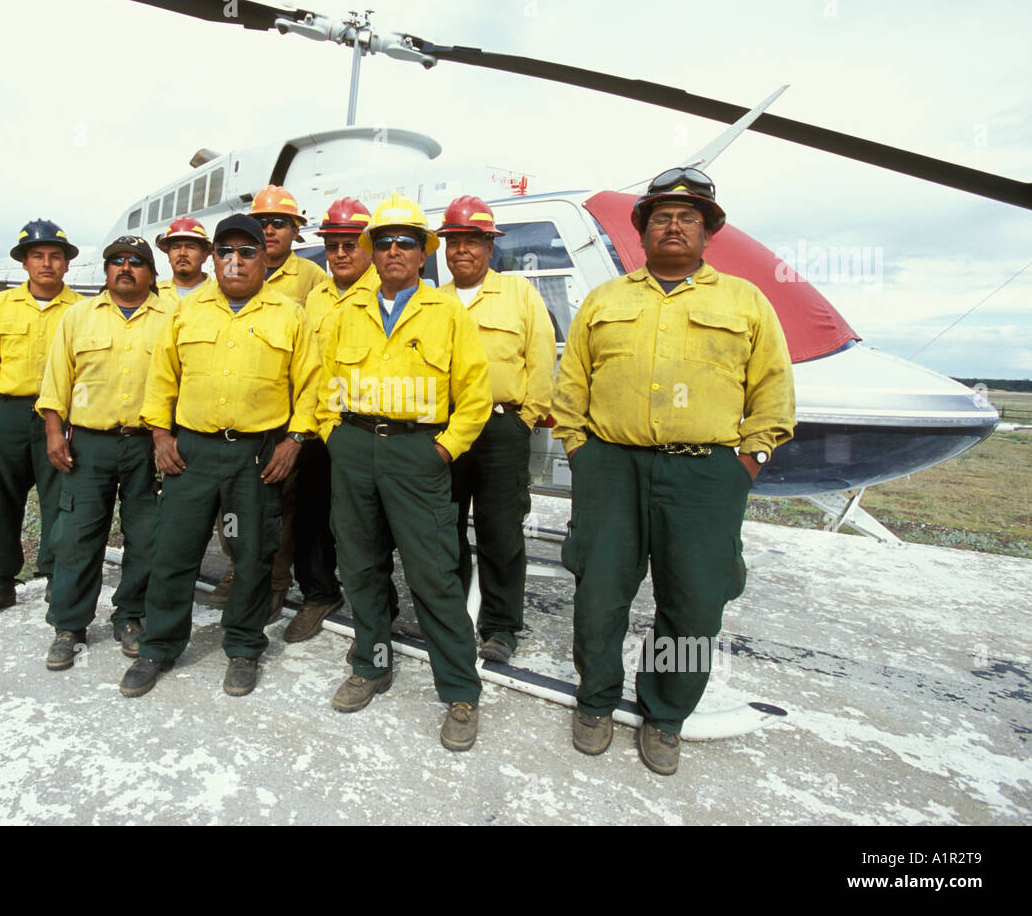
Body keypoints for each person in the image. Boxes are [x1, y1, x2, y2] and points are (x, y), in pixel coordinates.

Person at [551, 168, 796, 774]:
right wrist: (582, 451)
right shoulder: (607, 300)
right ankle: (596, 700)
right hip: (610, 465)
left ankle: (664, 716)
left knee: (692, 603)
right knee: (600, 592)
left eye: (688, 217)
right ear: (643, 230)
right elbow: (570, 385)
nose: (674, 225)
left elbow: (773, 393)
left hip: (707, 474)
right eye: (661, 216)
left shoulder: (744, 301)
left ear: (708, 231)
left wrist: (746, 463)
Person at [316, 193, 492, 752]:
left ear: (423, 254)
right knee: (361, 566)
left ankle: (460, 691)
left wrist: (442, 451)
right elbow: (321, 386)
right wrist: (333, 437)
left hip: (418, 455)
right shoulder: (346, 313)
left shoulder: (447, 315)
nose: (394, 250)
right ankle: (371, 665)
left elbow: (475, 398)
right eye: (384, 242)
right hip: (354, 453)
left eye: (407, 242)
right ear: (372, 252)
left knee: (434, 576)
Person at [120, 214, 319, 699]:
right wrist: (161, 435)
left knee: (253, 555)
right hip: (191, 453)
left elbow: (313, 385)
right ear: (213, 257)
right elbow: (162, 378)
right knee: (174, 551)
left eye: (247, 251)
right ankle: (158, 647)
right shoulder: (186, 312)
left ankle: (245, 648)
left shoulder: (289, 314)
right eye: (225, 251)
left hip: (256, 456)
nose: (235, 261)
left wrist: (294, 442)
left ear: (263, 259)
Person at [35, 235, 176, 670]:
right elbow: (57, 378)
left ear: (152, 274)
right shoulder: (79, 316)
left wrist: (167, 438)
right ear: (106, 270)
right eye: (117, 261)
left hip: (147, 444)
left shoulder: (173, 316)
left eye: (136, 261)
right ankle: (69, 626)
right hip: (88, 445)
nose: (126, 268)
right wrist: (54, 433)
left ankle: (130, 616)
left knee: (147, 536)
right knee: (78, 535)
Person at [436, 195, 554, 664]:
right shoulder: (433, 301)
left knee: (501, 530)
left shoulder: (519, 294)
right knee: (443, 528)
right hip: (444, 432)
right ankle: (451, 617)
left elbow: (542, 361)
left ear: (490, 247)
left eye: (472, 242)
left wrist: (525, 419)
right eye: (453, 242)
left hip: (501, 428)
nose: (461, 250)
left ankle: (501, 627)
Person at [0, 219, 81, 622]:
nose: (46, 264)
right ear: (24, 263)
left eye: (55, 257)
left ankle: (54, 576)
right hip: (7, 412)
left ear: (67, 265)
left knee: (60, 500)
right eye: (37, 256)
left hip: (59, 417)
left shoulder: (81, 310)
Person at [283, 197, 381, 644]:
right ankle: (320, 592)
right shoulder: (317, 294)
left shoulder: (387, 289)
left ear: (366, 246)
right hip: (316, 423)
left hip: (363, 428)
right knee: (309, 513)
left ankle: (374, 610)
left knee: (366, 523)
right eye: (332, 245)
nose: (339, 254)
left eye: (348, 245)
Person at [244, 184, 330, 616]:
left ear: (296, 231)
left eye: (280, 222)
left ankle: (277, 583)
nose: (270, 229)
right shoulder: (236, 271)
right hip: (245, 412)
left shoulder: (313, 280)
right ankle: (241, 572)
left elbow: (313, 354)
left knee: (287, 507)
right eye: (262, 222)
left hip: (290, 416)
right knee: (241, 500)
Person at [155, 216, 215, 303]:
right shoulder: (153, 294)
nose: (182, 253)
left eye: (190, 247)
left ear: (204, 256)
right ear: (168, 256)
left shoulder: (219, 294)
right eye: (176, 247)